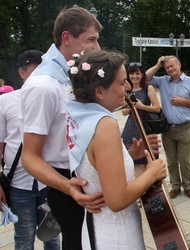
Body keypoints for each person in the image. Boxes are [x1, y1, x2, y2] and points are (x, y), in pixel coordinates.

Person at [65, 50, 166, 249]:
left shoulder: (79, 114)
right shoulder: (105, 125)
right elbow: (117, 199)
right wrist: (152, 173)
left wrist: (128, 156)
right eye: (121, 83)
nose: (128, 87)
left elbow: (95, 168)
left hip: (96, 229)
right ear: (100, 91)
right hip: (117, 236)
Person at [20, 7, 103, 249]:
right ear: (67, 38)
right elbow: (30, 157)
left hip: (85, 175)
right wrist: (66, 186)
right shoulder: (43, 86)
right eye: (91, 39)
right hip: (66, 181)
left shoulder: (71, 74)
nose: (97, 47)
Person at [0, 50, 61, 249]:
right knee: (24, 237)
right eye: (34, 72)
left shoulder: (54, 96)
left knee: (52, 236)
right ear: (21, 73)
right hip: (19, 183)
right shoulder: (6, 102)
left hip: (48, 181)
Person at [146, 55, 190, 199]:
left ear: (179, 65)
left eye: (172, 66)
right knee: (171, 161)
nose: (170, 69)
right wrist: (158, 65)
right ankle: (175, 186)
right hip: (167, 128)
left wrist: (183, 101)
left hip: (184, 127)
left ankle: (188, 186)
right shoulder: (163, 81)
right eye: (167, 67)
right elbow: (145, 78)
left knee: (185, 160)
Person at [121, 62, 161, 170]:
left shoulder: (148, 88)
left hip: (145, 127)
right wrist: (130, 106)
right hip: (130, 128)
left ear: (142, 74)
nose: (135, 76)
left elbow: (157, 108)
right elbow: (123, 112)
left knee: (149, 160)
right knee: (132, 162)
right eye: (132, 74)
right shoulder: (126, 90)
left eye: (137, 73)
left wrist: (142, 106)